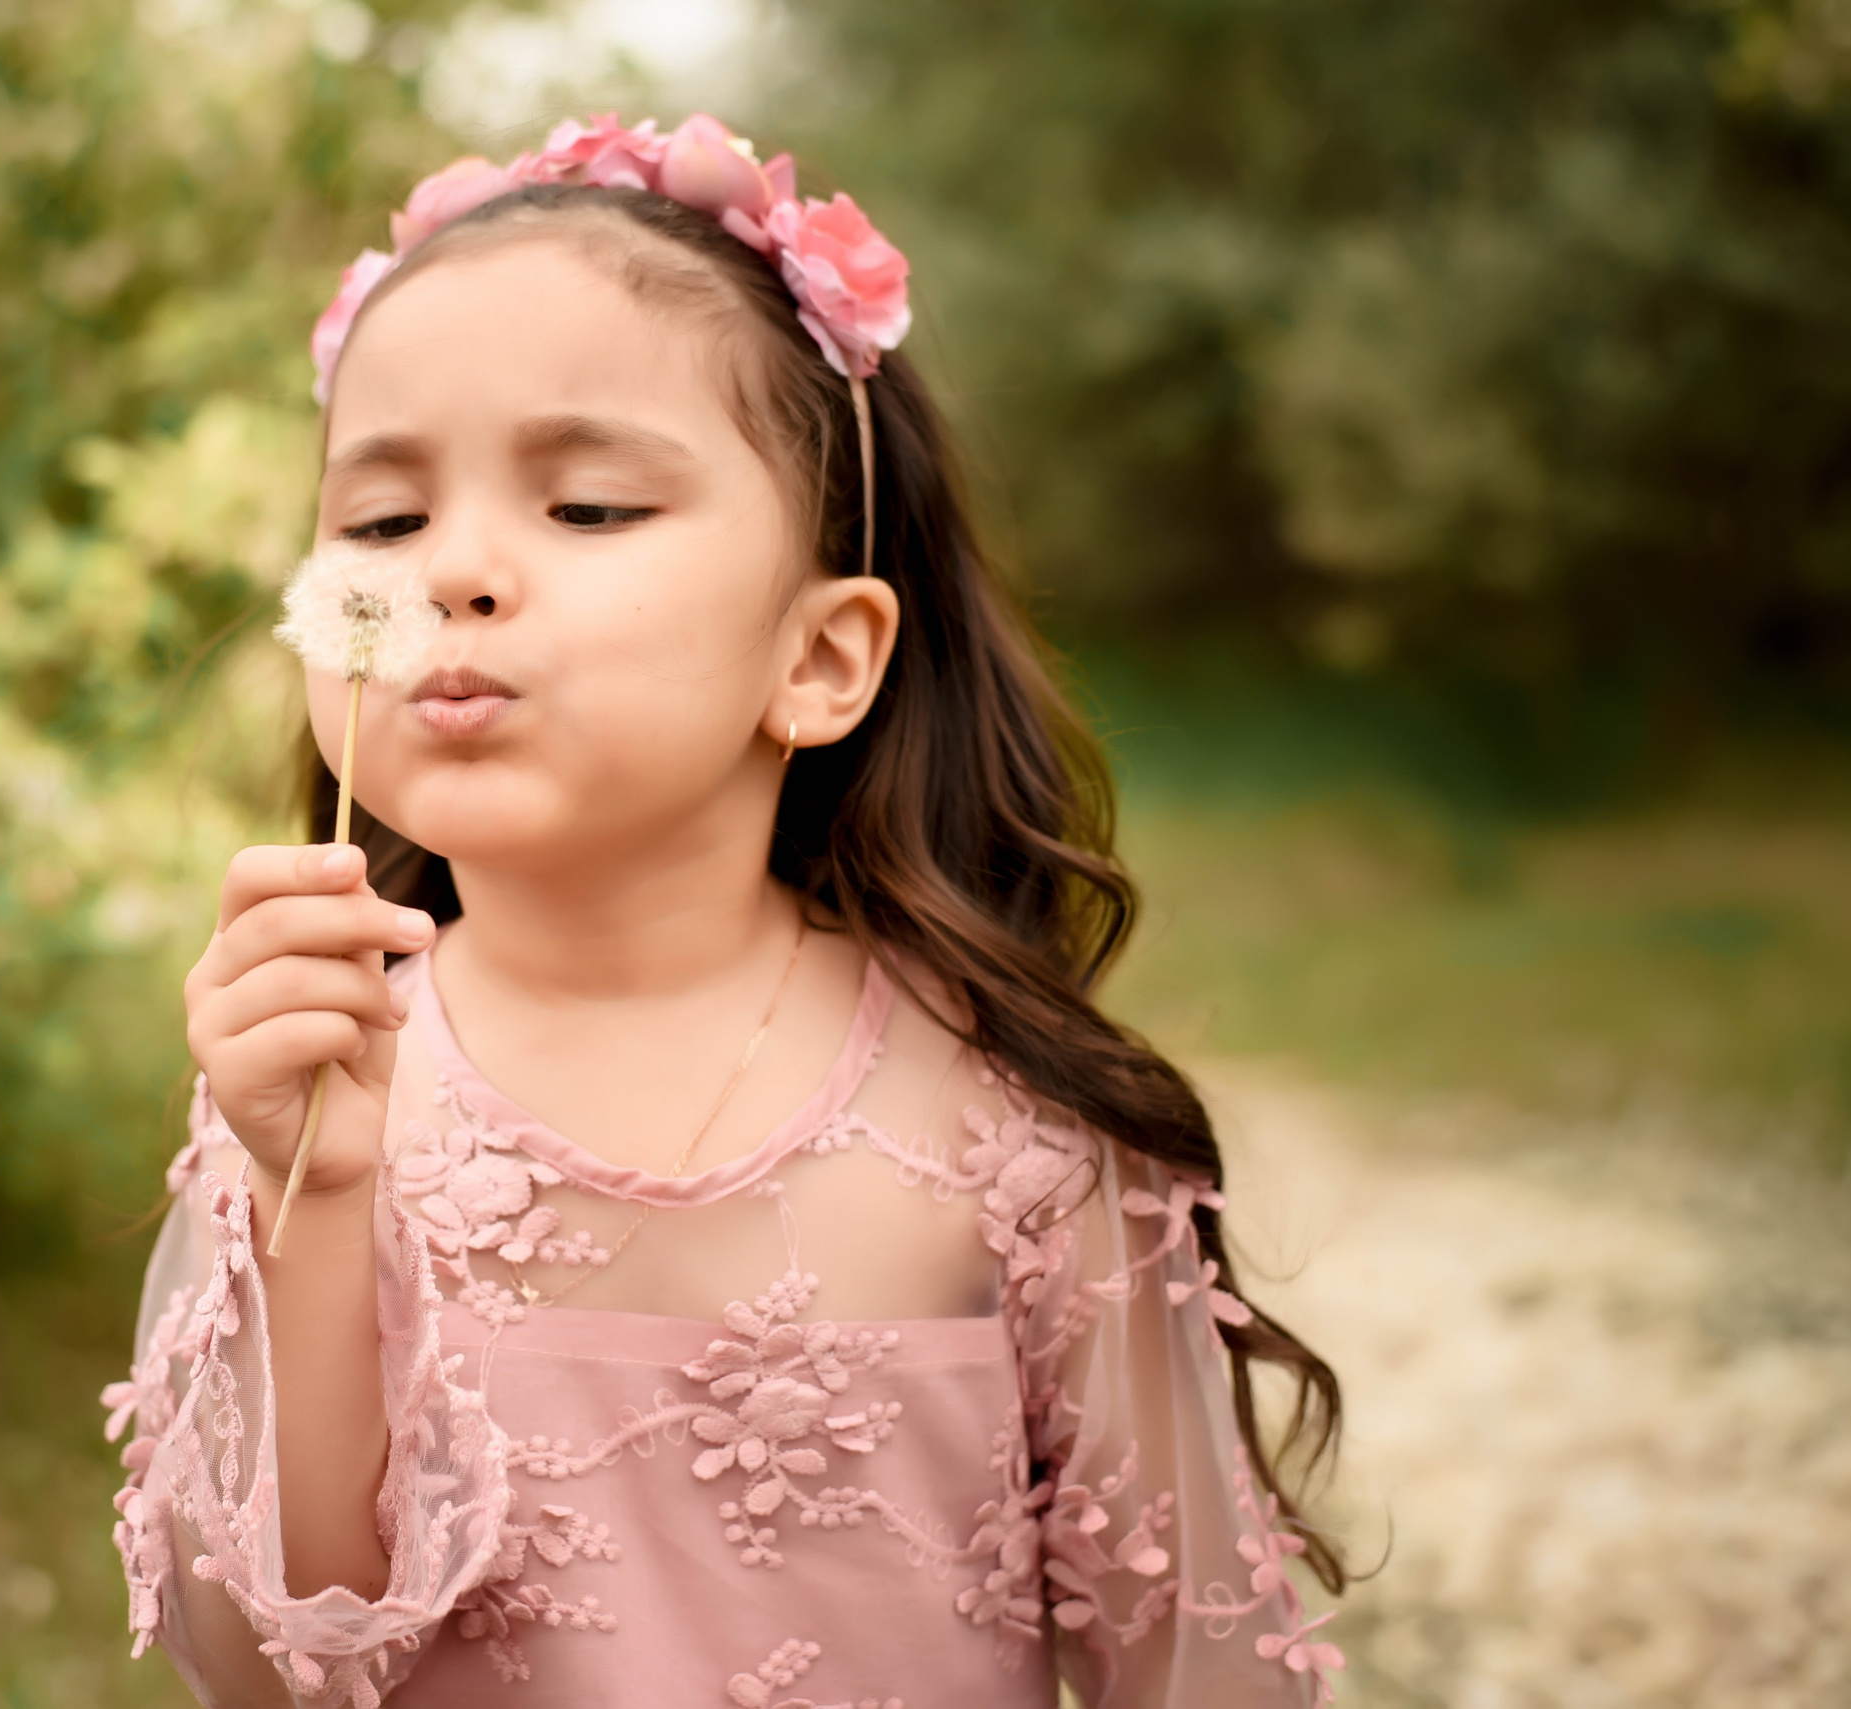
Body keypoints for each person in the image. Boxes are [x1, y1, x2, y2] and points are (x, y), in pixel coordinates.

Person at [101, 114, 1348, 1708]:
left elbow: (1200, 1671)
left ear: (820, 658)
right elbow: (267, 1668)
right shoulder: (312, 1093)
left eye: (593, 506)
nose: (458, 572)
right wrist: (315, 1206)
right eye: (387, 522)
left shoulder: (1009, 1126)